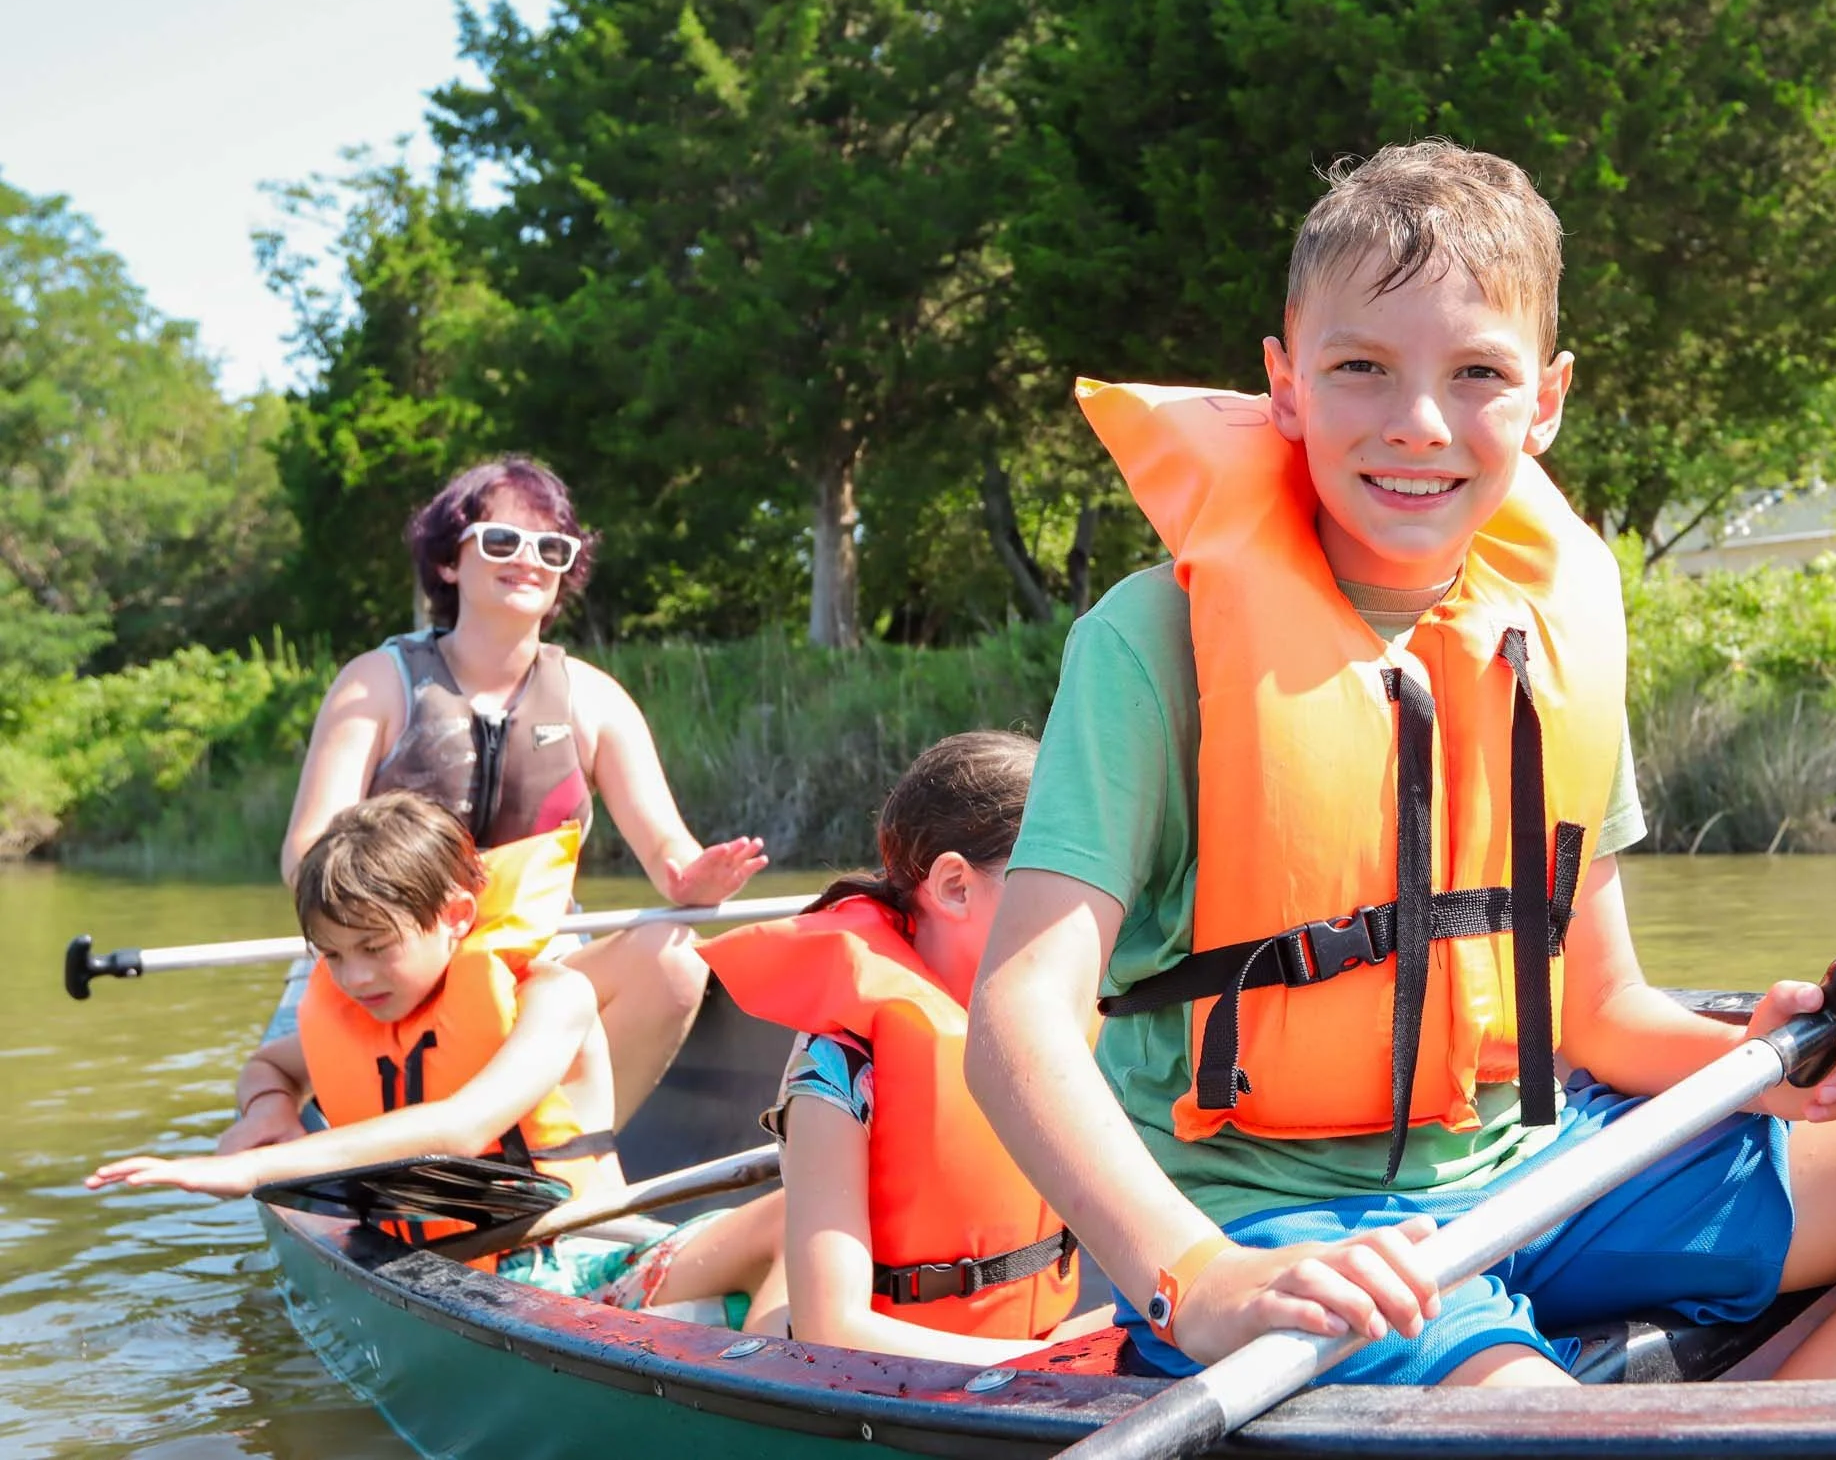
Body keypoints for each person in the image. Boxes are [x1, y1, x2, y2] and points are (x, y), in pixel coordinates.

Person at [964, 141, 1836, 1389]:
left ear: (1547, 398)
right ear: (1285, 380)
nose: (1416, 422)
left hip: (1545, 1169)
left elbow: (1598, 1013)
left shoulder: (1548, 633)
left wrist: (1772, 1065)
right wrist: (1193, 1275)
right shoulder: (1151, 644)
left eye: (1476, 372)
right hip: (1282, 1228)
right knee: (1542, 1425)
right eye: (1361, 366)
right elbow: (1016, 1019)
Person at [89, 793, 786, 1331]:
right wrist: (265, 1112)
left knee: (792, 1221)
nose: (355, 977)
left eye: (374, 946)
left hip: (575, 1258)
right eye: (332, 955)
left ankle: (776, 1395)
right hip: (441, 1268)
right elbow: (269, 1065)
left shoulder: (553, 995)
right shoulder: (361, 1017)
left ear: (456, 915)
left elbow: (461, 1125)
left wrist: (251, 1168)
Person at [281, 456, 768, 1128]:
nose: (529, 559)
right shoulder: (376, 683)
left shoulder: (596, 699)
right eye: (501, 541)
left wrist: (702, 879)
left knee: (675, 959)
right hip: (383, 953)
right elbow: (306, 853)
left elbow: (671, 858)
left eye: (551, 547)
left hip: (533, 962)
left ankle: (568, 1160)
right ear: (451, 561)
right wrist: (404, 934)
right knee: (281, 1078)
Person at [701, 732, 1111, 1363]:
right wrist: (1043, 1365)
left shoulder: (1065, 1019)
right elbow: (832, 1330)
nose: (1086, 910)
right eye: (1056, 875)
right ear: (954, 887)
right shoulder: (840, 1064)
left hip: (1038, 1353)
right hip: (902, 1377)